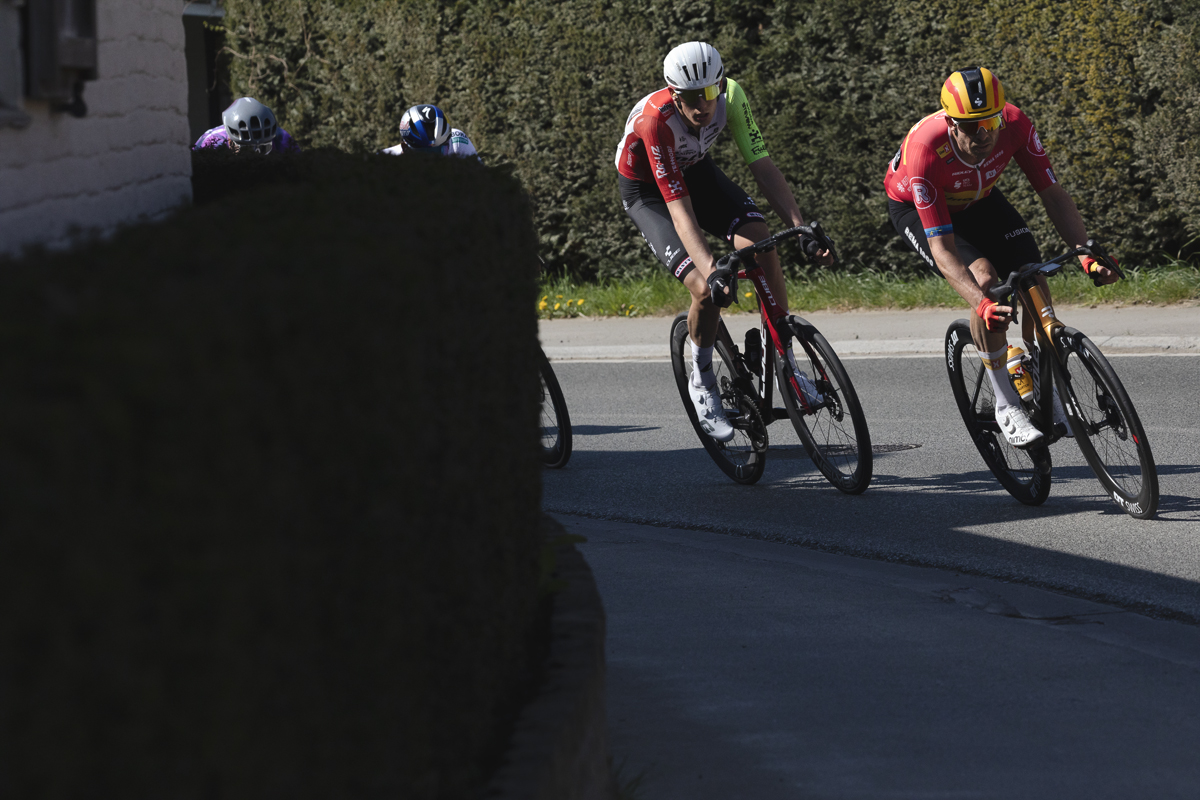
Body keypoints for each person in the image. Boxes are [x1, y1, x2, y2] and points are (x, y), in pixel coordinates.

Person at [884, 66, 1118, 447]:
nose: (983, 135)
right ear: (951, 124)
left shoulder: (1015, 124)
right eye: (971, 125)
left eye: (990, 122)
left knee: (1033, 276)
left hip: (980, 199)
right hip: (919, 208)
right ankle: (1006, 404)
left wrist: (1086, 254)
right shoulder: (926, 150)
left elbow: (1054, 195)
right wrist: (981, 303)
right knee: (986, 280)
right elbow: (943, 249)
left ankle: (1039, 377)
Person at [615, 41, 832, 442]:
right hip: (649, 193)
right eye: (692, 98)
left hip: (696, 172)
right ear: (674, 94)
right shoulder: (655, 122)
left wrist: (801, 226)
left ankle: (780, 353)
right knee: (704, 288)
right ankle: (702, 379)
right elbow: (679, 211)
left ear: (720, 85)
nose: (703, 106)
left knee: (761, 240)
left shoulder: (732, 96)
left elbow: (763, 165)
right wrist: (713, 271)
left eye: (710, 92)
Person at [192, 97, 301, 154]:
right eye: (245, 149)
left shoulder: (282, 138)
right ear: (229, 140)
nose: (255, 156)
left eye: (264, 148)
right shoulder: (211, 142)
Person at [380, 104, 479, 159]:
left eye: (440, 151)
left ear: (448, 143)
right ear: (405, 149)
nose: (432, 160)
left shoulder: (457, 140)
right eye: (423, 154)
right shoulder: (385, 161)